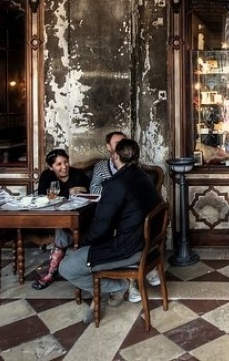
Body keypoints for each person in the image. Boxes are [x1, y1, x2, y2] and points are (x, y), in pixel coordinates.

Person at [58, 138, 161, 324]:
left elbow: (100, 228)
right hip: (147, 243)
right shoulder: (143, 177)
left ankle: (117, 286)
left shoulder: (116, 184)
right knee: (84, 252)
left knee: (66, 267)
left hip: (129, 248)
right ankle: (116, 285)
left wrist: (81, 242)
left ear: (115, 156)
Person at [32, 148, 90, 290]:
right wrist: (66, 193)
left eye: (65, 162)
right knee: (61, 226)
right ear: (51, 167)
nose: (64, 167)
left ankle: (52, 272)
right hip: (57, 216)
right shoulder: (46, 176)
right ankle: (55, 270)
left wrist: (81, 191)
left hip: (82, 216)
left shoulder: (78, 174)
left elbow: (88, 194)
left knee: (62, 228)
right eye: (59, 164)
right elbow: (42, 196)